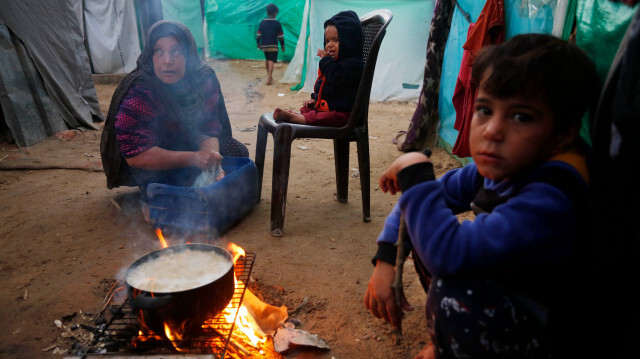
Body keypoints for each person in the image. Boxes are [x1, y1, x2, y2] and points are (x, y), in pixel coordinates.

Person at [363, 34, 599, 358]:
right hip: (508, 293)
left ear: (562, 135)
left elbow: (448, 253)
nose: (491, 130)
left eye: (520, 117)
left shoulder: (551, 199)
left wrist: (416, 176)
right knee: (426, 224)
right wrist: (387, 258)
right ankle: (453, 338)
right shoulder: (498, 167)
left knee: (453, 289)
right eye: (485, 109)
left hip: (549, 330)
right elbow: (428, 201)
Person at [100, 20, 249, 219]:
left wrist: (212, 164)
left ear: (189, 54)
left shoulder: (203, 79)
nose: (167, 60)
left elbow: (208, 127)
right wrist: (195, 158)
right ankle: (154, 195)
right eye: (159, 51)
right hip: (155, 154)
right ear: (150, 55)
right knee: (161, 181)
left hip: (190, 143)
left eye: (176, 51)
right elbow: (135, 154)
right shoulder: (141, 89)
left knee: (236, 152)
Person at [273, 10, 363, 127]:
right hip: (330, 107)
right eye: (327, 40)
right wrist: (315, 99)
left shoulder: (353, 64)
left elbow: (336, 78)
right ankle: (302, 115)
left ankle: (296, 118)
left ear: (350, 40)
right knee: (307, 107)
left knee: (327, 117)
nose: (329, 45)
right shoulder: (335, 62)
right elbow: (325, 86)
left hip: (344, 114)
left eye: (336, 40)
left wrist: (325, 61)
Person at [256, 3, 284, 85]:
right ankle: (269, 77)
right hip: (273, 46)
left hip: (264, 46)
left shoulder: (262, 23)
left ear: (267, 13)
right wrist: (282, 46)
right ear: (276, 13)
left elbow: (258, 35)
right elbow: (280, 36)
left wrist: (258, 44)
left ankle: (269, 75)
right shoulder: (277, 24)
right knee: (271, 61)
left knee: (267, 60)